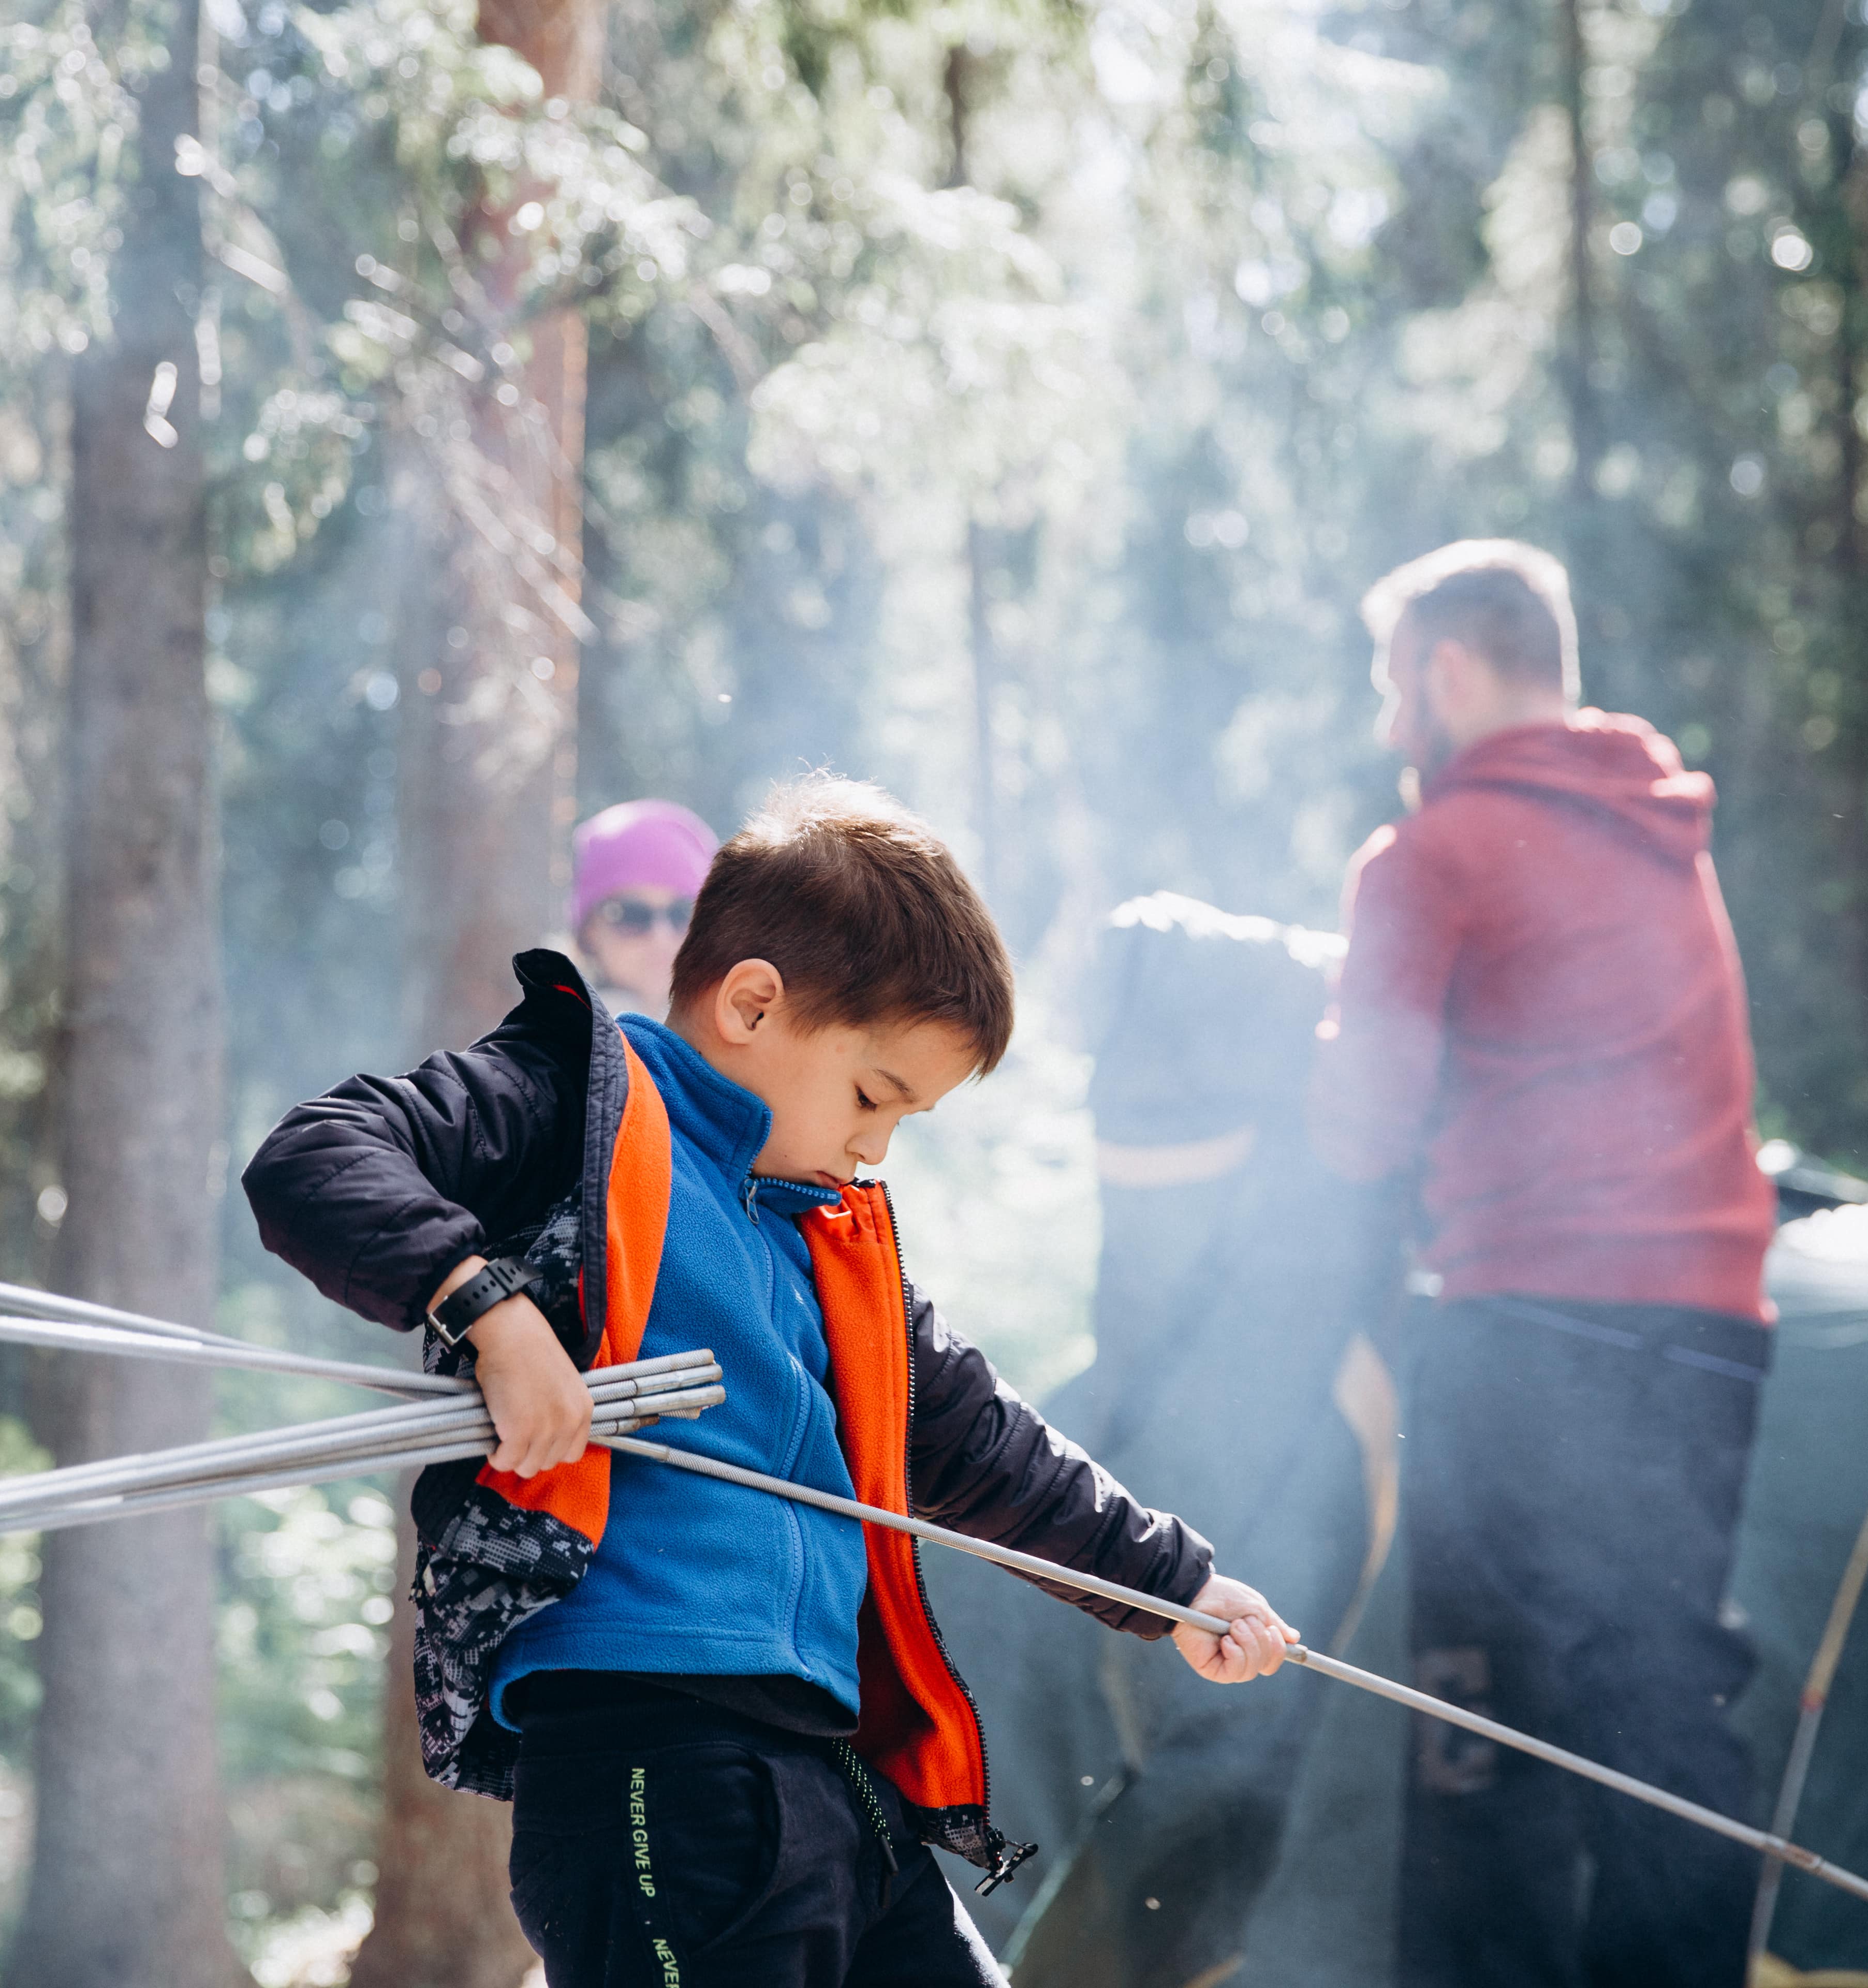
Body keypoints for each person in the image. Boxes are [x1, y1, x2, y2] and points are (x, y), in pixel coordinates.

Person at [244, 774, 1295, 1988]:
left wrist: (1174, 1584)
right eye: (870, 1095)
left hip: (835, 1765)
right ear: (752, 1001)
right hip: (650, 1753)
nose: (876, 1147)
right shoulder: (567, 1101)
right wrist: (487, 1307)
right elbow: (317, 1155)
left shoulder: (827, 1233)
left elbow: (986, 1445)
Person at [1308, 541, 1777, 1988]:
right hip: (1714, 1332)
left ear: (1449, 673)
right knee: (1658, 1706)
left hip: (1532, 1330)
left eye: (1400, 693)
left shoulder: (1432, 851)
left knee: (1483, 1726)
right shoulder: (1665, 835)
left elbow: (1359, 1129)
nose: (1397, 733)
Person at [569, 797, 720, 1016]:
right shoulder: (540, 1042)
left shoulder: (755, 1037)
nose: (660, 935)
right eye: (632, 915)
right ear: (589, 930)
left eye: (683, 913)